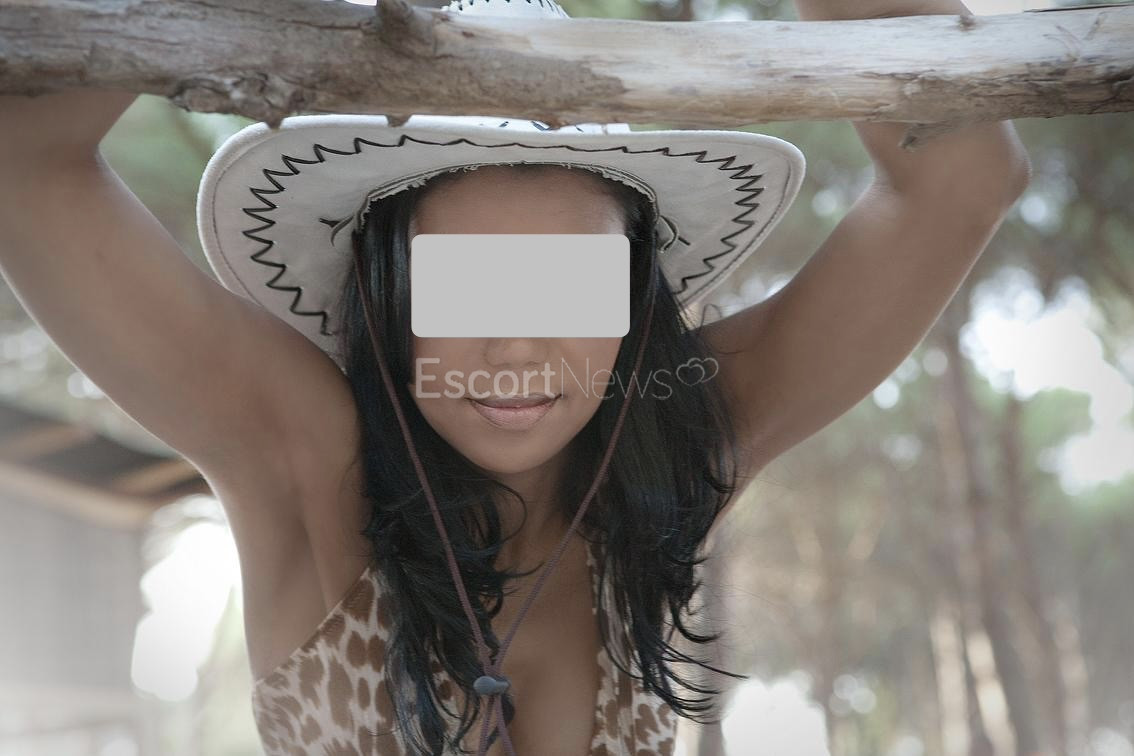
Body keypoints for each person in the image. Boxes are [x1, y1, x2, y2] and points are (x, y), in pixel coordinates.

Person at [0, 0, 1030, 753]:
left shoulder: (671, 448)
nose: (517, 352)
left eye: (569, 286)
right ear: (385, 296)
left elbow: (961, 177)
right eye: (466, 288)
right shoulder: (308, 456)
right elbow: (23, 162)